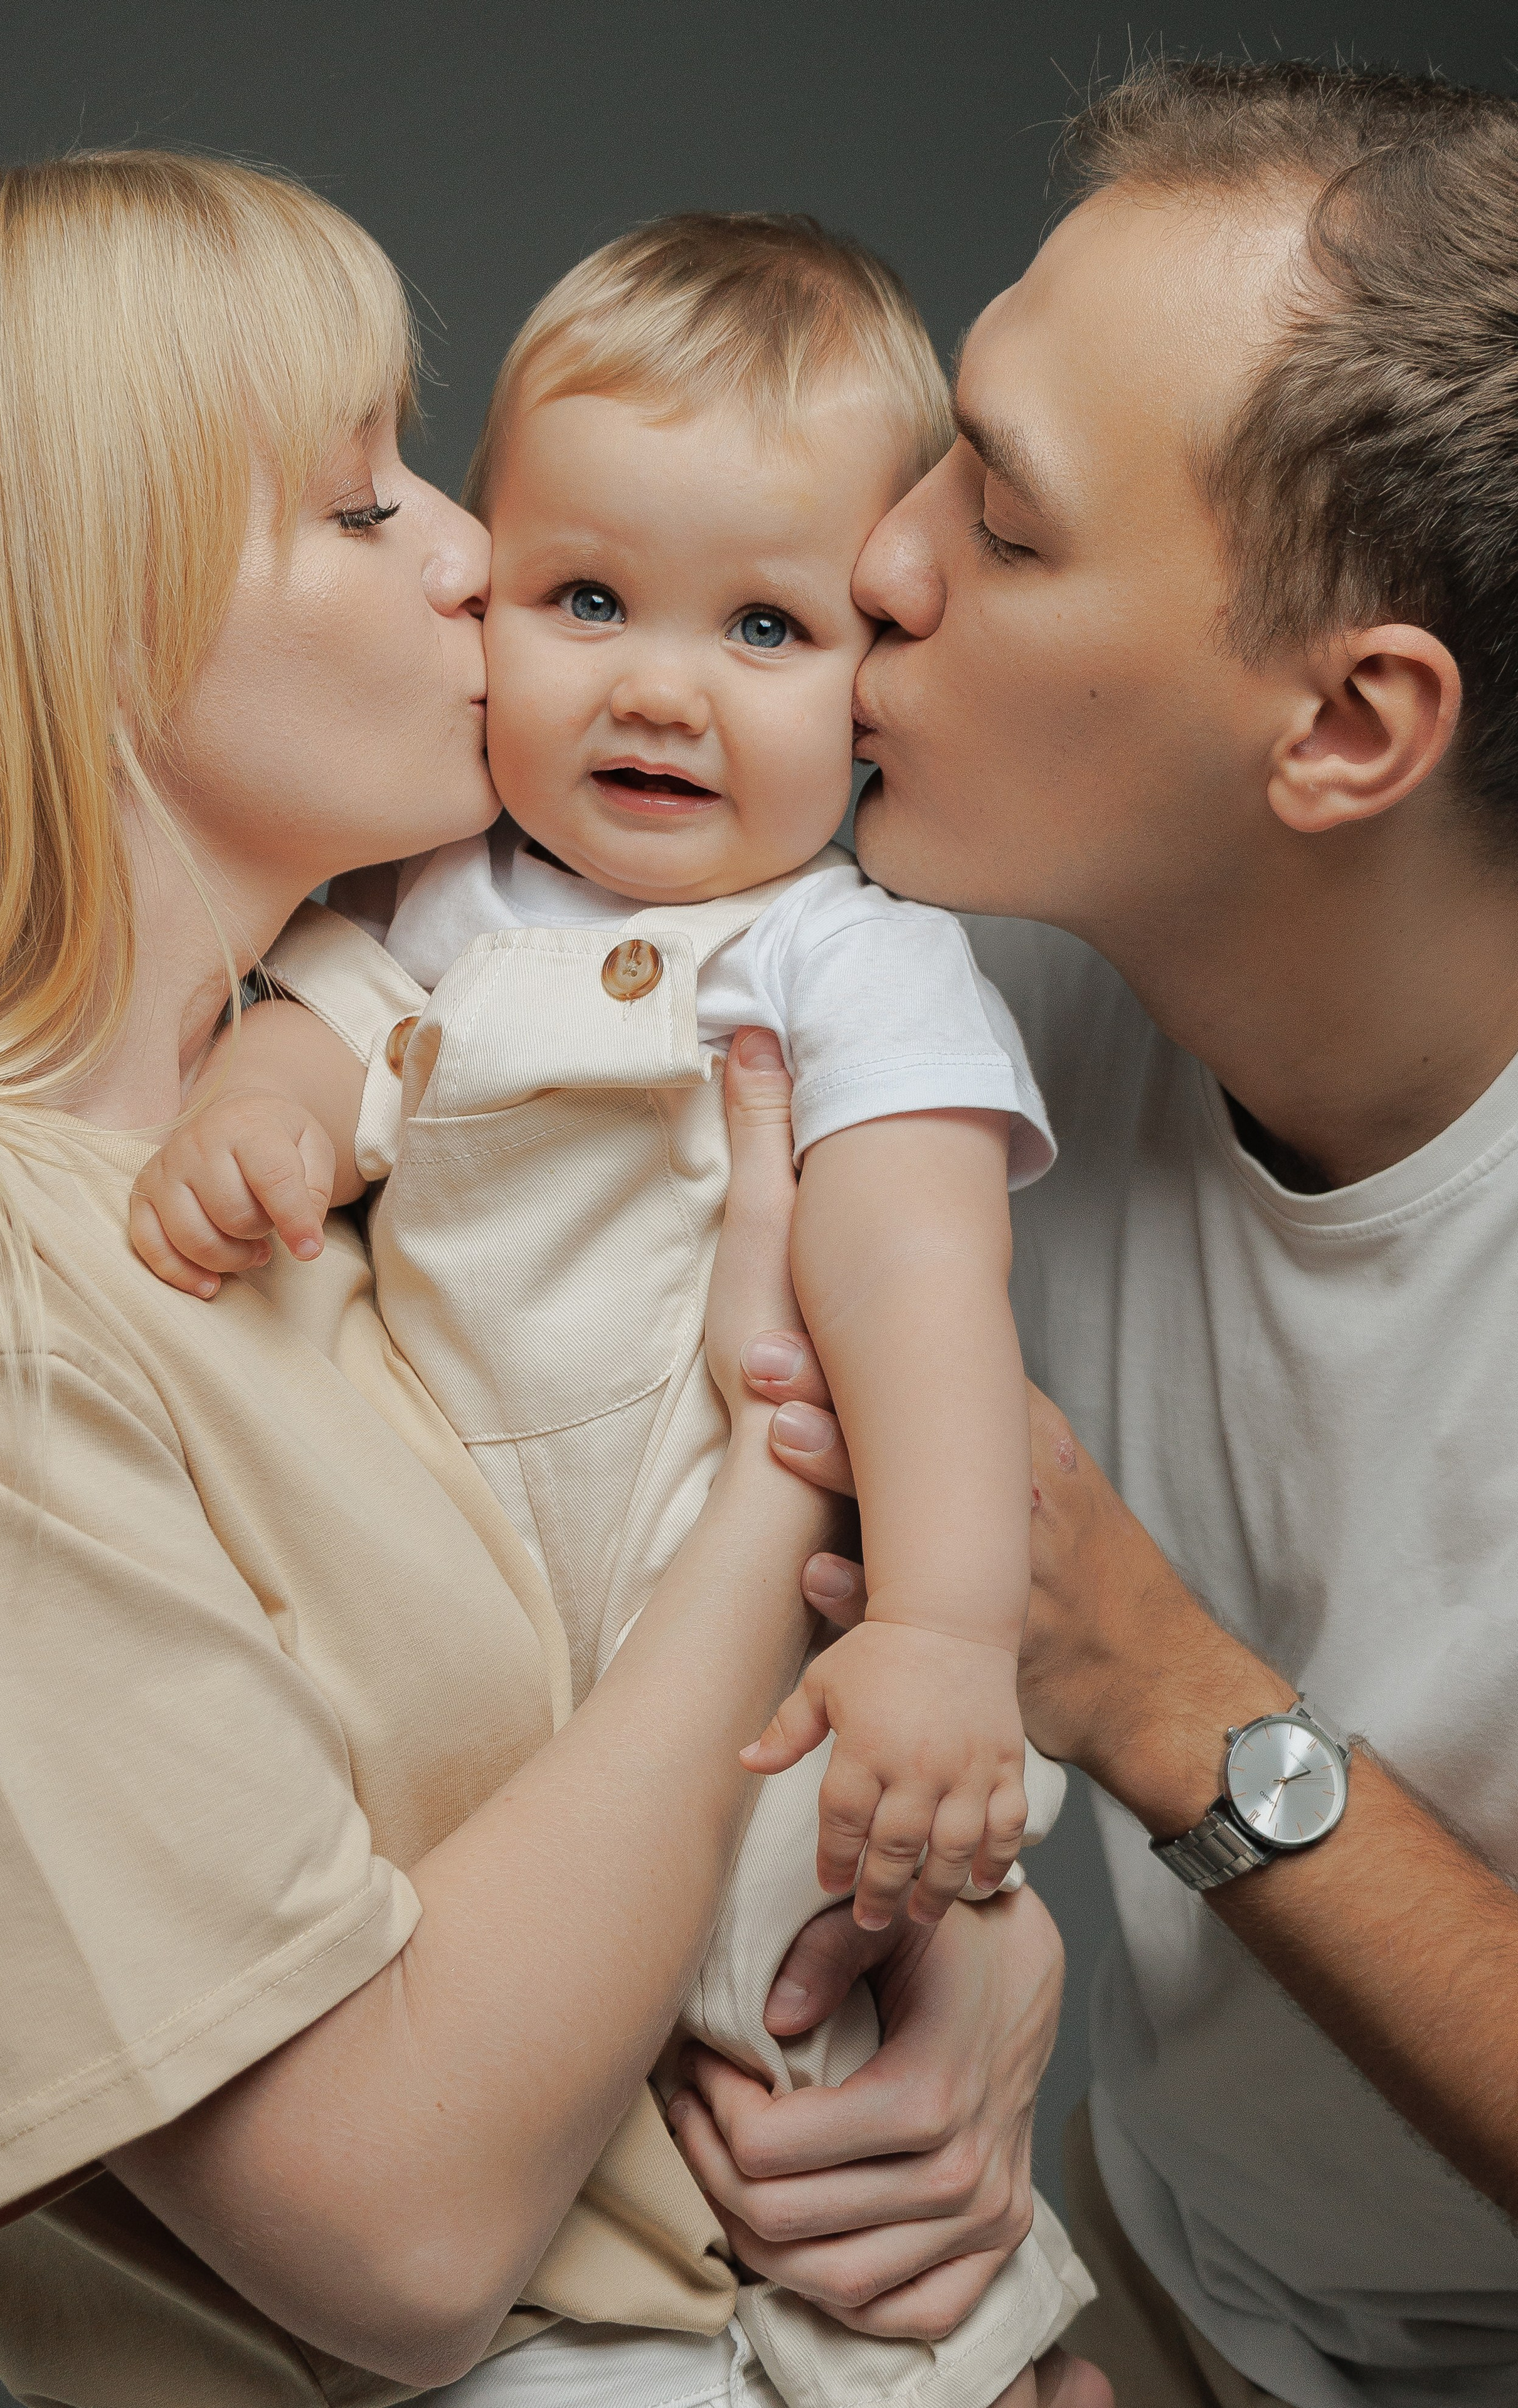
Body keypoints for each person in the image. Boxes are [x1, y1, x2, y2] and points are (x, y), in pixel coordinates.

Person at [0, 153, 1099, 2408]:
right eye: (363, 504)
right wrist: (790, 1438)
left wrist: (959, 1946)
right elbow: (401, 2235)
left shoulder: (372, 1126)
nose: (471, 549)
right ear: (90, 600)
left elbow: (563, 1756)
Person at [733, 53, 1518, 2408]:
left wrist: (1167, 1703)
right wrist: (981, 1948)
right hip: (1137, 2282)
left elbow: (1110, 1679)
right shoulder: (966, 999)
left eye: (1004, 522)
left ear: (1349, 728)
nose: (875, 564)